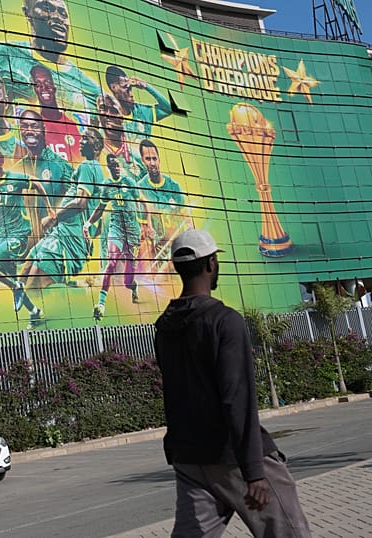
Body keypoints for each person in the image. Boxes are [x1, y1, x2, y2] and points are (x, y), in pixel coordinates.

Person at [154, 229, 311, 537]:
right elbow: (237, 398)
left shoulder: (164, 328)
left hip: (190, 459)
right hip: (233, 456)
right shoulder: (225, 321)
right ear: (210, 264)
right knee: (289, 532)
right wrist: (254, 472)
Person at [14, 127, 105, 327]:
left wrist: (53, 218)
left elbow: (80, 203)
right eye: (81, 138)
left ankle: (37, 325)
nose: (81, 141)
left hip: (66, 241)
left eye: (86, 139)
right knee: (25, 271)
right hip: (60, 235)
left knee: (33, 282)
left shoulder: (88, 166)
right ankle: (38, 311)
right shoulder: (97, 170)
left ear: (97, 146)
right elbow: (97, 217)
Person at [0, 0, 101, 113]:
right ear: (27, 13)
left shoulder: (92, 90)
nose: (57, 17)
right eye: (46, 8)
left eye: (63, 13)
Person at [0, 149, 51, 300]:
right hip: (1, 234)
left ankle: (16, 287)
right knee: (12, 276)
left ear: (0, 164)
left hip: (18, 234)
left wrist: (49, 208)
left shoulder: (14, 179)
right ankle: (32, 309)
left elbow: (36, 183)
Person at [83, 154, 141, 321]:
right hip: (116, 229)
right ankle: (101, 305)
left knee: (127, 282)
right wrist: (87, 223)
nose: (115, 168)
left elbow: (141, 202)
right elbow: (100, 208)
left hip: (132, 232)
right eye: (112, 166)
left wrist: (146, 223)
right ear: (108, 167)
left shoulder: (129, 182)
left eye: (117, 165)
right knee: (111, 263)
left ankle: (133, 287)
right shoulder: (107, 186)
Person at [137, 138, 187, 272]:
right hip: (157, 258)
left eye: (154, 158)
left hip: (177, 252)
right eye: (148, 159)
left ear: (159, 159)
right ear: (142, 161)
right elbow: (142, 230)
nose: (152, 163)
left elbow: (186, 220)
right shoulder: (140, 190)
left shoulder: (174, 187)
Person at [104, 65, 173, 143]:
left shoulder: (142, 112)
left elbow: (168, 109)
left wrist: (146, 86)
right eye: (127, 90)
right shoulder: (109, 118)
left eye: (131, 89)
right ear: (114, 87)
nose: (131, 94)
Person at [30, 65, 82, 164]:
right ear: (34, 89)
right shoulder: (35, 127)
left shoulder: (71, 125)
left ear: (54, 87)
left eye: (48, 83)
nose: (44, 88)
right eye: (38, 84)